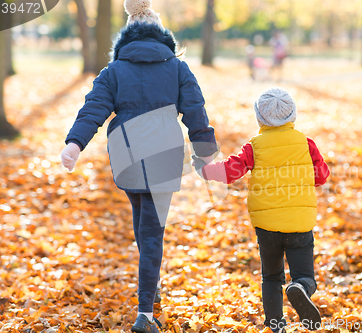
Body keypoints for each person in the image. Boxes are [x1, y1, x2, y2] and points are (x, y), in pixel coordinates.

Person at [60, 0, 217, 332]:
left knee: (143, 225)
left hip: (126, 155)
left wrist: (75, 143)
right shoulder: (177, 68)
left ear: (127, 36)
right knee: (152, 233)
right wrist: (206, 154)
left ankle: (152, 287)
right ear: (161, 34)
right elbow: (195, 111)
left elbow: (94, 108)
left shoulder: (115, 70)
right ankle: (145, 312)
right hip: (164, 155)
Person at [192, 88, 330, 332]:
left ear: (260, 119)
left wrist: (205, 169)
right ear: (293, 116)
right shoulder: (306, 144)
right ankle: (301, 287)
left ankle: (276, 324)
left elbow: (230, 171)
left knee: (272, 277)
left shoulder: (255, 146)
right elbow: (321, 177)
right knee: (305, 275)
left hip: (267, 226)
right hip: (299, 223)